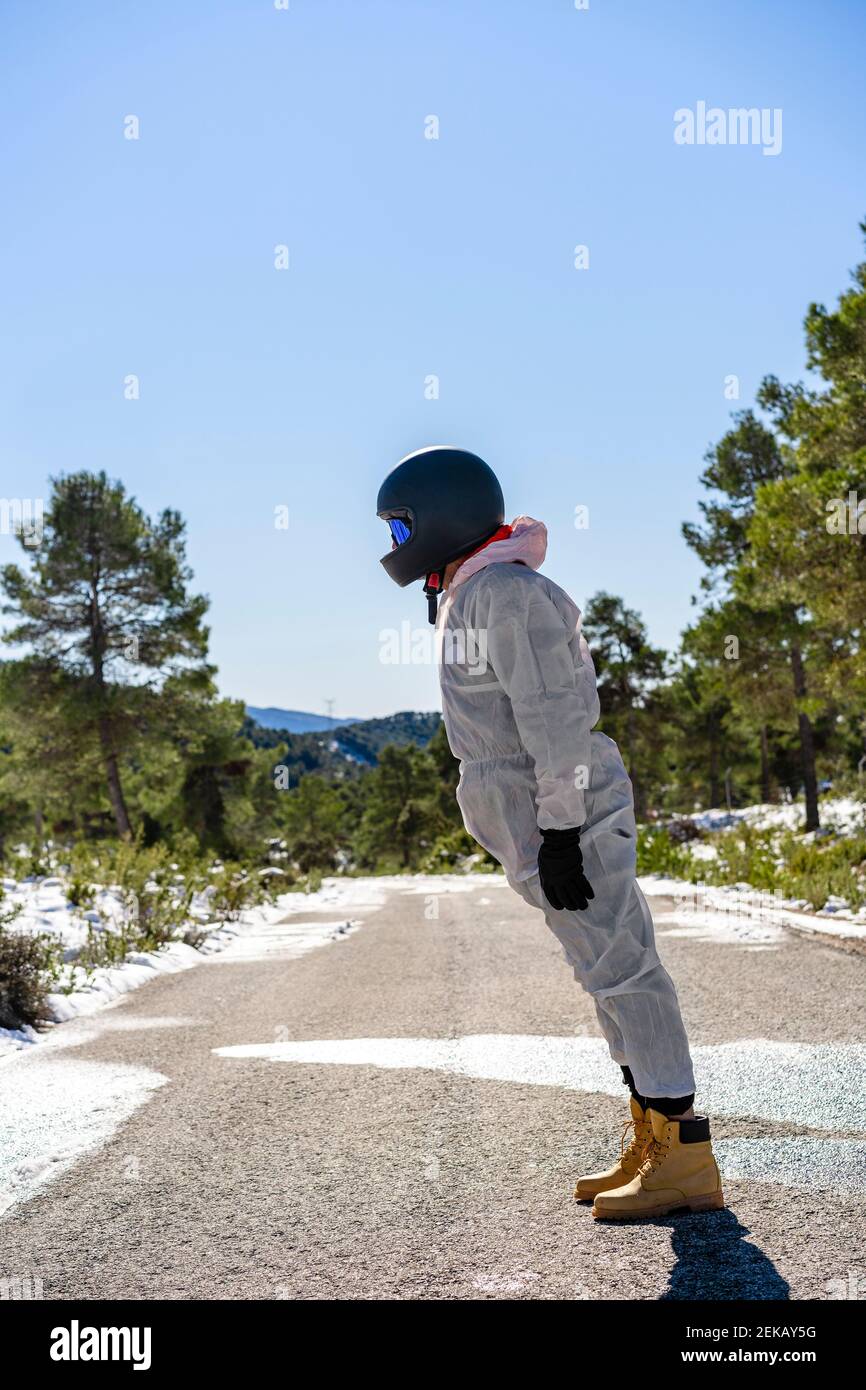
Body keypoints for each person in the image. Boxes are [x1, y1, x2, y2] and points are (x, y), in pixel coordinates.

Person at [376, 445, 723, 1220]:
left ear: (441, 515)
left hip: (560, 806)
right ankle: (652, 1135)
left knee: (623, 965)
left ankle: (686, 1155)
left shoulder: (506, 593)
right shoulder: (475, 592)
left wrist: (562, 830)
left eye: (402, 527)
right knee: (601, 968)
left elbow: (554, 722)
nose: (396, 546)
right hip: (535, 813)